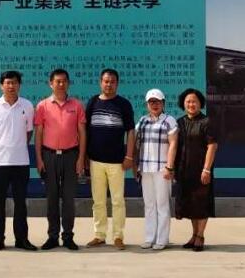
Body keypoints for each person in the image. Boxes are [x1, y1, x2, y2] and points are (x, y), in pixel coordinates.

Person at [0, 70, 37, 252]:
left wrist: (17, 146)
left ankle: (22, 239)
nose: (11, 86)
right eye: (7, 83)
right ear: (1, 85)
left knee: (20, 203)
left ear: (19, 85)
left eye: (14, 82)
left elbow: (29, 132)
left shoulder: (27, 105)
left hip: (21, 161)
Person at [34, 68, 86, 251]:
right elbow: (38, 134)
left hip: (71, 156)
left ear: (68, 83)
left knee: (69, 198)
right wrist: (39, 159)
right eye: (57, 81)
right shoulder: (42, 106)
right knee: (52, 198)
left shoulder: (77, 105)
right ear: (51, 84)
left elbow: (82, 133)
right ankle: (53, 236)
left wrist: (81, 158)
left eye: (64, 81)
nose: (61, 84)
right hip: (49, 156)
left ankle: (68, 236)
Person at [84, 68, 136, 251]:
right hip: (95, 160)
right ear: (101, 82)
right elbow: (85, 131)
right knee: (98, 201)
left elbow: (131, 131)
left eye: (112, 81)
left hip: (117, 161)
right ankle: (99, 235)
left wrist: (129, 156)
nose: (109, 84)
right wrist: (85, 156)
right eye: (106, 81)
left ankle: (118, 236)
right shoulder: (93, 102)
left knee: (117, 201)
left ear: (117, 83)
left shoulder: (124, 104)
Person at [134, 88, 178, 250]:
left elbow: (173, 144)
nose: (154, 104)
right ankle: (149, 237)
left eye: (158, 102)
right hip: (145, 169)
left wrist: (169, 166)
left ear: (163, 103)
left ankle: (162, 239)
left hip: (162, 169)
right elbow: (136, 144)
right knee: (149, 204)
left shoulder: (169, 120)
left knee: (162, 204)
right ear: (147, 104)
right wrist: (135, 166)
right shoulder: (142, 121)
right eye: (151, 102)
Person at [175, 88, 218, 252]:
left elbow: (212, 146)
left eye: (194, 101)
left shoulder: (207, 122)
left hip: (201, 170)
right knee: (191, 205)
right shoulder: (180, 122)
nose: (191, 104)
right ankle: (194, 235)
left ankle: (200, 236)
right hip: (185, 170)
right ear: (183, 104)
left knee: (202, 203)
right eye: (188, 102)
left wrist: (206, 169)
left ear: (200, 103)